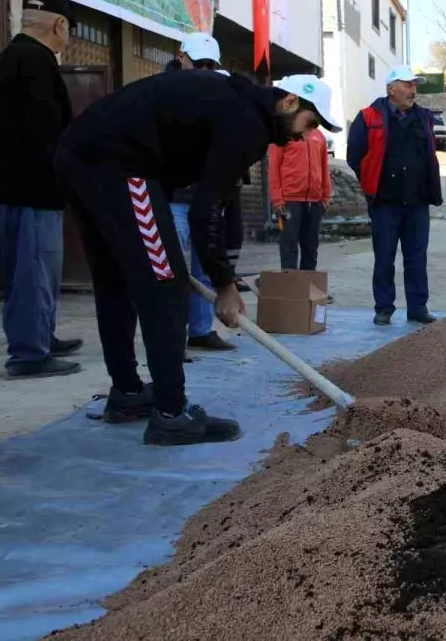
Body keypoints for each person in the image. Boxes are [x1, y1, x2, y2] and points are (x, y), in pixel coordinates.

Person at [55, 70, 340, 445]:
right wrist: (224, 284)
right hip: (118, 164)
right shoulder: (247, 123)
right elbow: (205, 212)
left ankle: (127, 394)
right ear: (289, 102)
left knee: (117, 280)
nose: (306, 134)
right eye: (310, 122)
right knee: (166, 285)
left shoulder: (236, 106)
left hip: (83, 156)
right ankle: (171, 415)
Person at [0, 0, 83, 378]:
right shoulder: (38, 64)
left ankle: (40, 335)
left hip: (6, 189)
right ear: (59, 25)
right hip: (33, 192)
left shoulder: (5, 60)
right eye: (68, 30)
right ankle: (29, 354)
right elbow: (47, 134)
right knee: (33, 272)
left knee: (29, 271)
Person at [347, 65, 442, 326]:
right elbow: (355, 156)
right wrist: (371, 183)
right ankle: (384, 308)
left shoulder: (424, 117)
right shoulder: (368, 117)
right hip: (385, 204)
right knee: (384, 257)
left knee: (416, 258)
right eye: (408, 84)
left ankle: (418, 308)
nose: (414, 89)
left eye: (414, 85)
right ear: (391, 89)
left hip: (417, 202)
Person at [165, 42, 236, 353]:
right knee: (173, 271)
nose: (205, 71)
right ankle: (171, 337)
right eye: (199, 63)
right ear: (182, 58)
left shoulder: (214, 96)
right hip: (172, 197)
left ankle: (201, 329)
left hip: (204, 196)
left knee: (204, 267)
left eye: (210, 65)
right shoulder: (163, 94)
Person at [269, 122, 331, 271]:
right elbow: (273, 168)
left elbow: (324, 167)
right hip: (289, 201)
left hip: (315, 202)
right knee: (289, 247)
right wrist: (277, 200)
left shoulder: (319, 135)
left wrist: (325, 198)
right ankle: (291, 290)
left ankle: (308, 291)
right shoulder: (283, 133)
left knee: (311, 248)